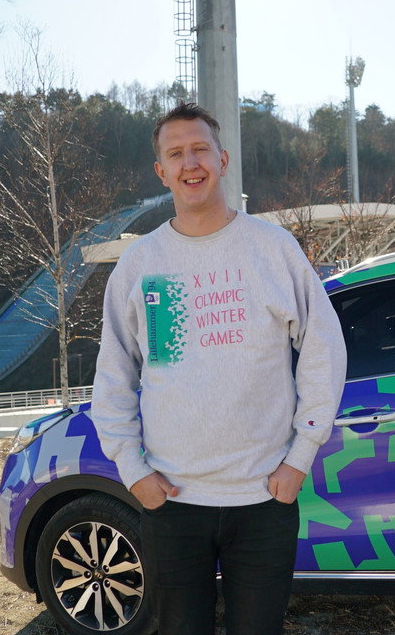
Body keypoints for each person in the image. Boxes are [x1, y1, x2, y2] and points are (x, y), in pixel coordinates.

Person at [91, 102, 347, 635]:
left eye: (200, 149)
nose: (191, 163)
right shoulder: (141, 264)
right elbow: (114, 373)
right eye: (176, 154)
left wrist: (300, 457)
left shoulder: (272, 248)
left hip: (264, 498)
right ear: (161, 171)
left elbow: (323, 348)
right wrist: (134, 472)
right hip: (172, 502)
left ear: (223, 160)